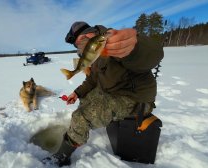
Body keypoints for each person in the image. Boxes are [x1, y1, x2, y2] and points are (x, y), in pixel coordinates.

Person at [43, 21, 164, 166]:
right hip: (113, 93)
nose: (83, 40)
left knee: (80, 116)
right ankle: (79, 129)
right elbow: (92, 79)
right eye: (78, 42)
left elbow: (152, 54)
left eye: (86, 33)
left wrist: (134, 47)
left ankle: (64, 154)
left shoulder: (113, 42)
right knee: (86, 99)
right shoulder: (97, 55)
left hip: (135, 99)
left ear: (95, 31)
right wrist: (76, 93)